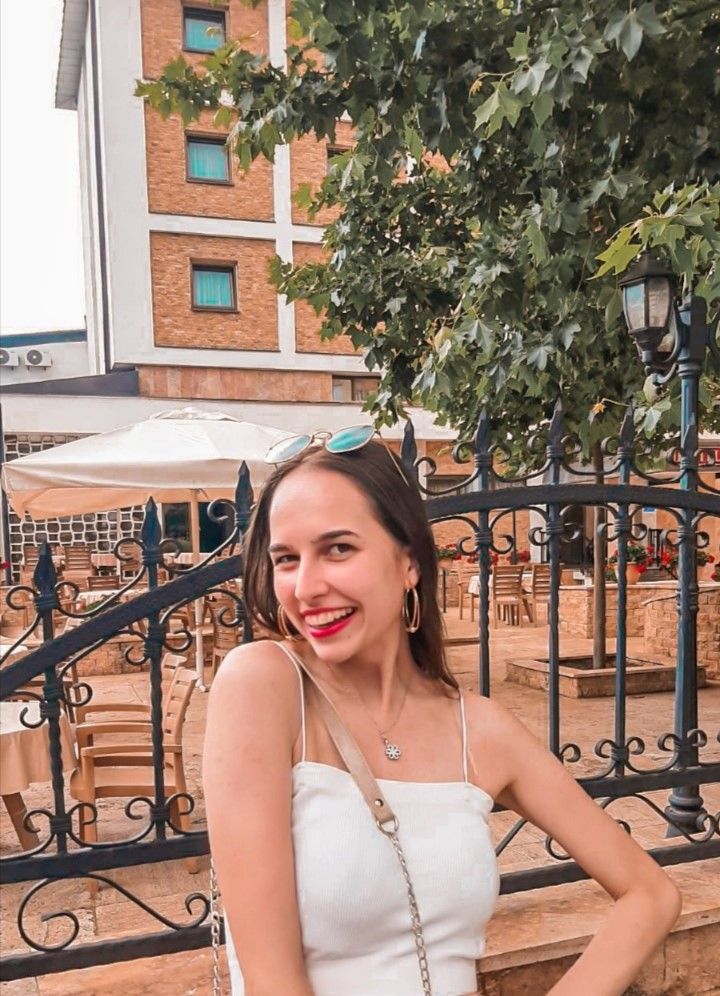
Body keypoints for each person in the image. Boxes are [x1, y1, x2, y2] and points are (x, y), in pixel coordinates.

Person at [203, 430, 681, 996]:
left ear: (408, 561)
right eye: (286, 559)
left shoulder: (479, 729)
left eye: (338, 549)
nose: (306, 587)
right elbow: (271, 980)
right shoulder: (265, 685)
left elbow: (650, 894)